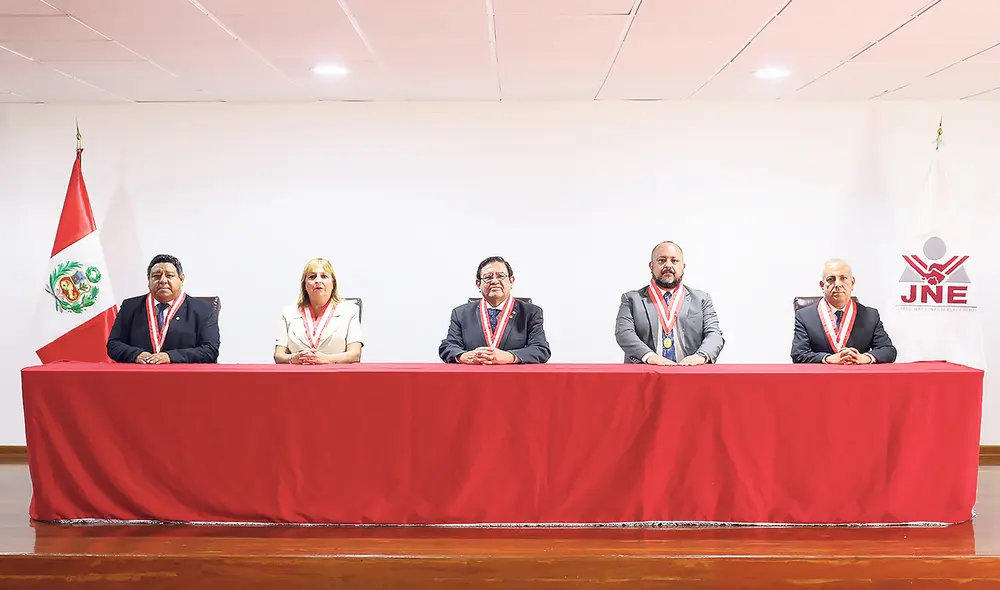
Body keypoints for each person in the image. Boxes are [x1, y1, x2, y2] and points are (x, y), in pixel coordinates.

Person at [615, 241, 724, 365]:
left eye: (674, 261)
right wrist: (650, 357)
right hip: (647, 373)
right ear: (651, 266)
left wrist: (700, 356)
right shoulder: (631, 299)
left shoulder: (702, 299)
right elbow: (624, 333)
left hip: (690, 373)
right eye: (661, 260)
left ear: (683, 266)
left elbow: (714, 334)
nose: (668, 265)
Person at [107, 254, 220, 364]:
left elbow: (210, 350)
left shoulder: (204, 309)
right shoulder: (130, 307)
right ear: (148, 280)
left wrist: (170, 357)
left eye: (169, 275)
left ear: (181, 279)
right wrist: (135, 355)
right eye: (156, 276)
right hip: (139, 376)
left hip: (183, 378)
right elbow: (114, 344)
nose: (163, 280)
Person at [438, 256, 550, 364]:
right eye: (488, 277)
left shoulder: (531, 313)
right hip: (474, 379)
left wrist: (509, 357)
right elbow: (448, 346)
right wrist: (462, 356)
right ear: (478, 284)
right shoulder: (461, 314)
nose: (495, 281)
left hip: (514, 379)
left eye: (501, 276)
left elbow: (540, 349)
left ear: (511, 281)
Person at [791, 259, 896, 364]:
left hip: (858, 377)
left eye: (843, 278)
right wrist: (827, 358)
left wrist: (865, 358)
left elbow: (888, 350)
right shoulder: (805, 317)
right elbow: (798, 354)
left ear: (852, 283)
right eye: (831, 279)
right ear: (822, 285)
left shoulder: (870, 316)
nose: (837, 284)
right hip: (821, 378)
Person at [274, 257, 362, 364]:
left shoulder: (350, 310)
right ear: (304, 285)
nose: (318, 280)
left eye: (324, 276)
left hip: (336, 375)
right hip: (298, 375)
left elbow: (355, 354)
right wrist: (292, 358)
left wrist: (326, 359)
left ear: (333, 283)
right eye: (312, 277)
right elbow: (278, 355)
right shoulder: (289, 312)